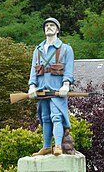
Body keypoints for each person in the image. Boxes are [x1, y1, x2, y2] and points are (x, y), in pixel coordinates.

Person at [28, 17, 74, 156]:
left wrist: (66, 85)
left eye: (52, 25)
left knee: (57, 117)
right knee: (45, 117)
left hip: (57, 90)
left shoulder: (66, 49)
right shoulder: (38, 50)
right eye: (46, 25)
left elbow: (69, 69)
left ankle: (58, 146)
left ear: (58, 29)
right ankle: (47, 146)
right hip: (42, 90)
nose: (49, 27)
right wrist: (32, 86)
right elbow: (33, 70)